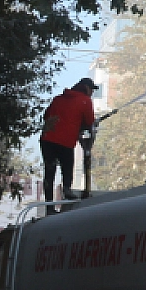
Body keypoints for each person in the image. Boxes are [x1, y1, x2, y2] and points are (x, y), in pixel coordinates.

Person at [40, 78, 97, 212]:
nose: (92, 93)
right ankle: (67, 192)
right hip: (65, 141)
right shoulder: (85, 101)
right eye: (92, 89)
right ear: (86, 88)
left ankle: (49, 206)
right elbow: (89, 121)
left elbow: (46, 115)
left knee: (49, 172)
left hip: (47, 140)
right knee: (67, 168)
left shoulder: (58, 99)